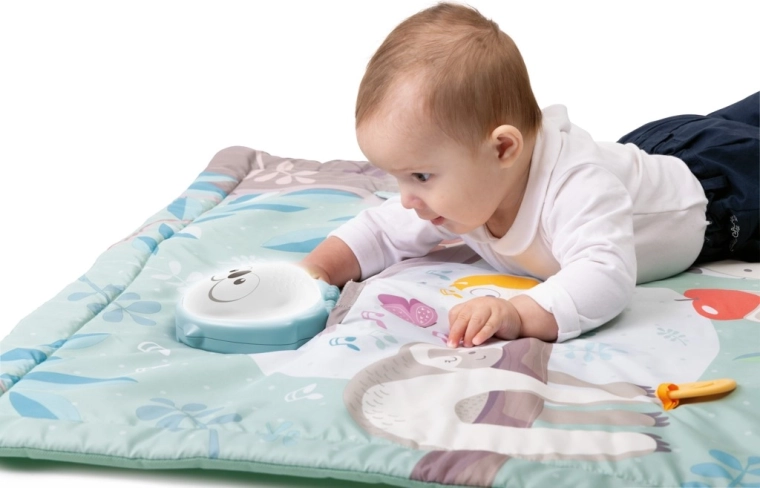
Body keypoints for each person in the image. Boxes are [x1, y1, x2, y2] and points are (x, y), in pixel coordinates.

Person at [299, 2, 759, 348]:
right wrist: (314, 272)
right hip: (657, 151)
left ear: (503, 148)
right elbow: (380, 232)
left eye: (419, 175)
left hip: (721, 194)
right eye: (398, 177)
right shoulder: (464, 187)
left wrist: (518, 313)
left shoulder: (575, 188)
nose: (406, 199)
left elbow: (605, 275)